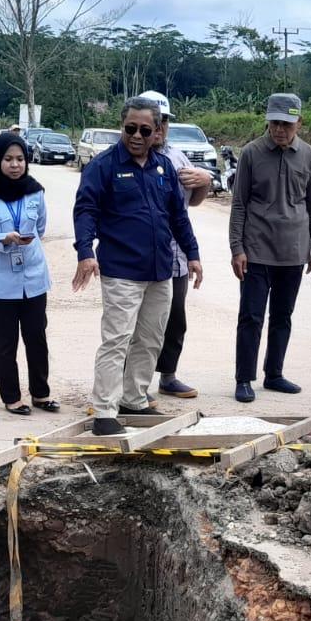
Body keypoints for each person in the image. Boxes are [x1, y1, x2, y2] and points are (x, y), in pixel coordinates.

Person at [72, 96, 201, 437]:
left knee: (150, 339)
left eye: (146, 129)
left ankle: (134, 398)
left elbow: (178, 215)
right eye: (131, 129)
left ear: (157, 131)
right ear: (122, 127)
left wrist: (193, 254)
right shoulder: (103, 166)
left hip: (160, 271)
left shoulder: (163, 168)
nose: (137, 136)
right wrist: (85, 252)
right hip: (121, 271)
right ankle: (104, 411)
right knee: (117, 340)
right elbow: (85, 210)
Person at [229, 93, 311, 403]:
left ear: (300, 122)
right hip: (256, 250)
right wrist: (236, 248)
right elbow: (239, 203)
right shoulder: (252, 154)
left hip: (293, 253)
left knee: (283, 316)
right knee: (251, 316)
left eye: (286, 124)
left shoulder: (308, 156)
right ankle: (244, 379)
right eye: (274, 123)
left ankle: (274, 374)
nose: (279, 130)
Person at [0, 132, 59, 416]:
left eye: (20, 159)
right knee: (4, 343)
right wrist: (4, 239)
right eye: (8, 159)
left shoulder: (36, 191)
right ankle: (12, 397)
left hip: (33, 277)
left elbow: (41, 228)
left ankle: (41, 394)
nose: (15, 165)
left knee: (37, 337)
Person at [132, 89, 212, 401]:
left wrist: (204, 183)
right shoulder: (126, 159)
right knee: (138, 324)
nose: (160, 127)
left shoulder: (177, 159)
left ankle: (168, 376)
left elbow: (190, 205)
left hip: (175, 256)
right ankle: (134, 384)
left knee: (174, 319)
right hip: (138, 258)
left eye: (164, 121)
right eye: (156, 121)